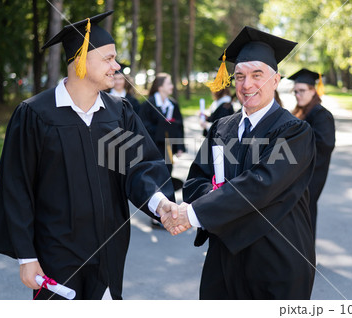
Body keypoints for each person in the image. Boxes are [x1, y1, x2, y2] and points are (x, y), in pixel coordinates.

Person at [0, 11, 178, 300]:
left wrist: (159, 201)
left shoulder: (120, 113)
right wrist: (25, 257)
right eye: (108, 58)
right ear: (79, 60)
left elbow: (140, 167)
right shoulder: (36, 114)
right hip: (56, 255)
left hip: (110, 251)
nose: (117, 67)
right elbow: (17, 186)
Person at [162, 26, 317, 299]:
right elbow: (197, 178)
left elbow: (262, 184)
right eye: (240, 76)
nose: (247, 85)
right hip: (223, 259)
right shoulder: (222, 127)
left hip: (276, 259)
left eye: (257, 75)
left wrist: (196, 213)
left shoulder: (294, 131)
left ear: (275, 80)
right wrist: (211, 199)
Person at [288, 68, 335, 240]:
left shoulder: (321, 115)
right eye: (295, 91)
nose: (297, 95)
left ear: (313, 90)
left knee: (305, 213)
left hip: (311, 176)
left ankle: (306, 260)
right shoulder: (301, 112)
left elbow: (325, 145)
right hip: (298, 175)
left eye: (302, 91)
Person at [139, 73, 185, 185]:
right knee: (155, 175)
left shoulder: (173, 104)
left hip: (168, 147)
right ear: (160, 87)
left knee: (167, 172)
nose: (172, 86)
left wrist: (179, 146)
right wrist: (161, 127)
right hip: (153, 146)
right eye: (169, 83)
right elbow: (143, 126)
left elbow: (179, 126)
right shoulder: (148, 104)